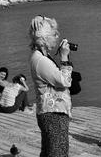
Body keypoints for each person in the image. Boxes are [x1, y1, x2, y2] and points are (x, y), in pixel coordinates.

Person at [29, 15, 73, 157]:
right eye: (54, 34)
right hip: (54, 114)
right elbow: (64, 81)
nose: (57, 36)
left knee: (49, 152)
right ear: (44, 39)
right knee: (58, 153)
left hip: (50, 111)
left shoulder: (41, 56)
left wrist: (40, 18)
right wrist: (64, 58)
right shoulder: (41, 60)